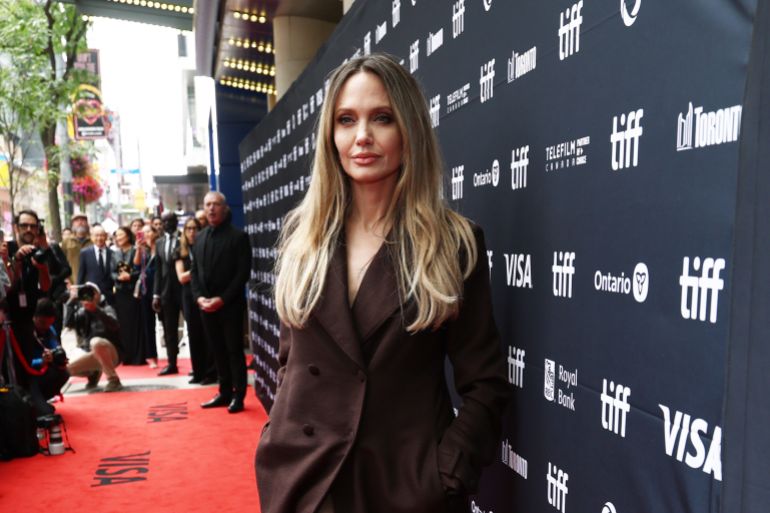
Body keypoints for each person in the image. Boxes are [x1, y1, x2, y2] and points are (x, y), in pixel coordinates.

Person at [254, 54, 510, 513]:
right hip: (305, 483)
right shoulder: (303, 236)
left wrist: (445, 471)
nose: (362, 137)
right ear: (330, 137)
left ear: (409, 131)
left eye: (382, 118)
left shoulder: (453, 243)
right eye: (346, 120)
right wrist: (274, 439)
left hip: (403, 489)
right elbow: (291, 360)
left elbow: (486, 384)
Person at [191, 191, 250, 413]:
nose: (211, 209)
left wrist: (222, 299)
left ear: (225, 208)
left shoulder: (238, 237)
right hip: (206, 306)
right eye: (208, 205)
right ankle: (224, 392)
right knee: (217, 351)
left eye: (216, 204)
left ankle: (239, 395)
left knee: (234, 351)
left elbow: (242, 274)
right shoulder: (200, 237)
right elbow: (194, 272)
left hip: (230, 307)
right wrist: (199, 298)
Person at [5, 210, 52, 390]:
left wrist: (42, 268)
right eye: (24, 225)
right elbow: (8, 285)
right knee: (10, 368)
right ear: (16, 227)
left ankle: (29, 403)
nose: (28, 229)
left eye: (33, 226)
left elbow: (46, 286)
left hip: (29, 318)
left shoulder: (39, 252)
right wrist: (15, 260)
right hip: (8, 318)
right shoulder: (6, 249)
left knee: (29, 363)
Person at [174, 218, 216, 384]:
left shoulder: (205, 246)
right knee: (194, 334)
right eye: (189, 229)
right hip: (188, 295)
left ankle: (211, 372)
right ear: (184, 232)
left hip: (204, 294)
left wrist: (194, 272)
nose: (192, 232)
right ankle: (198, 371)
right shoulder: (180, 251)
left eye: (195, 228)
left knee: (207, 334)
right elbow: (181, 277)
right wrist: (197, 271)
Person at [65, 282, 123, 392]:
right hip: (92, 354)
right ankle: (93, 374)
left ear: (99, 294)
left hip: (112, 353)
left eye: (92, 292)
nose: (89, 295)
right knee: (64, 370)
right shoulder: (82, 312)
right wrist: (71, 302)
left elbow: (114, 325)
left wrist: (95, 309)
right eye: (85, 292)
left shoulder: (107, 308)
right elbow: (68, 324)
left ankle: (114, 380)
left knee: (96, 342)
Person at [23, 298, 70, 415]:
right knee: (45, 413)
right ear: (34, 317)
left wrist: (60, 359)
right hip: (27, 376)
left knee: (64, 373)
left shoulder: (49, 329)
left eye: (50, 323)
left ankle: (40, 402)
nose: (46, 327)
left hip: (42, 372)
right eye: (43, 323)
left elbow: (56, 348)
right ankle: (34, 404)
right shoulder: (24, 332)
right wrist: (41, 362)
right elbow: (21, 362)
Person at [152, 211, 182, 375]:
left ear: (176, 222)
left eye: (170, 220)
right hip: (166, 292)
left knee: (194, 327)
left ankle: (201, 366)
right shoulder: (159, 243)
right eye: (164, 221)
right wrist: (156, 294)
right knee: (169, 330)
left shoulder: (184, 239)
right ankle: (172, 363)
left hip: (184, 290)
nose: (167, 224)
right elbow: (158, 269)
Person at [111, 227, 143, 365]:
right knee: (123, 325)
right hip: (120, 292)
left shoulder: (135, 250)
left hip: (133, 291)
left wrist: (130, 276)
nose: (119, 238)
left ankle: (137, 356)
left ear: (128, 236)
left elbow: (140, 269)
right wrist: (118, 277)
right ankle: (126, 356)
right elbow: (111, 272)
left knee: (135, 323)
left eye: (121, 235)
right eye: (116, 235)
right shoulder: (114, 254)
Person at [134, 224, 159, 368]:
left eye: (149, 231)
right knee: (148, 324)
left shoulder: (160, 246)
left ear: (155, 232)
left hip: (160, 287)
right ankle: (152, 356)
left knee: (167, 323)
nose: (147, 234)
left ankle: (171, 355)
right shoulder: (142, 249)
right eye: (143, 232)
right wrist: (139, 248)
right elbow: (136, 265)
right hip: (145, 289)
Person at [76, 226, 115, 305]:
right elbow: (81, 274)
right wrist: (79, 292)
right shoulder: (85, 253)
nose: (99, 238)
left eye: (102, 235)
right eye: (96, 235)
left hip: (109, 295)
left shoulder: (113, 253)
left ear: (106, 236)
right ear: (91, 237)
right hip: (91, 294)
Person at [60, 214, 92, 283]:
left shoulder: (93, 240)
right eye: (77, 220)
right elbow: (61, 263)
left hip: (90, 283)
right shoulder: (66, 242)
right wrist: (66, 280)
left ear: (87, 223)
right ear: (73, 224)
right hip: (72, 282)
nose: (80, 222)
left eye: (83, 220)